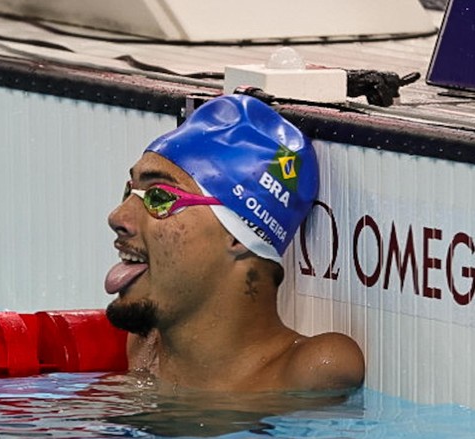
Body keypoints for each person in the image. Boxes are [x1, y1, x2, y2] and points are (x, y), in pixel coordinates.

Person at [104, 94, 364, 393]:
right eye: (130, 191)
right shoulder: (145, 347)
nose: (118, 216)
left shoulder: (310, 373)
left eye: (159, 197)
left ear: (238, 234)